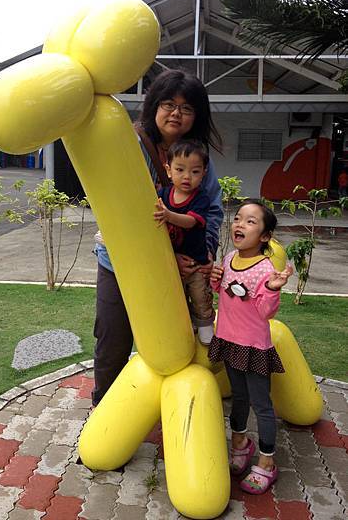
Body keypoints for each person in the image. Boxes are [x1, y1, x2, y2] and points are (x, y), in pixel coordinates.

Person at [93, 69, 223, 406]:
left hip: (181, 270)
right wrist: (166, 256)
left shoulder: (198, 158)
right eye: (168, 104)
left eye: (187, 108)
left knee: (174, 342)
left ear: (197, 116)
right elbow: (123, 209)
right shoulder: (130, 144)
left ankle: (170, 408)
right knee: (113, 337)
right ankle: (105, 409)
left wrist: (201, 256)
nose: (176, 113)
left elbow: (213, 213)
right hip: (121, 263)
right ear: (154, 106)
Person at [208, 200, 292, 495]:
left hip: (253, 347)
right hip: (229, 341)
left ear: (265, 236)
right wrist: (215, 280)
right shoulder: (230, 257)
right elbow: (225, 295)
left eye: (251, 221)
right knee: (239, 397)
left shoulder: (265, 268)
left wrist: (271, 289)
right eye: (238, 218)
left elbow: (266, 312)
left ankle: (267, 463)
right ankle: (241, 443)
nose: (240, 224)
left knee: (261, 404)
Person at [154, 139, 215, 344]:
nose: (187, 176)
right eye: (180, 170)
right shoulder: (162, 195)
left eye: (195, 171)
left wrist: (168, 215)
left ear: (204, 172)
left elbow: (191, 222)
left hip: (196, 262)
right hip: (171, 262)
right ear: (168, 170)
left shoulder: (201, 198)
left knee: (200, 296)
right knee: (176, 298)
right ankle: (187, 323)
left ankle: (205, 325)